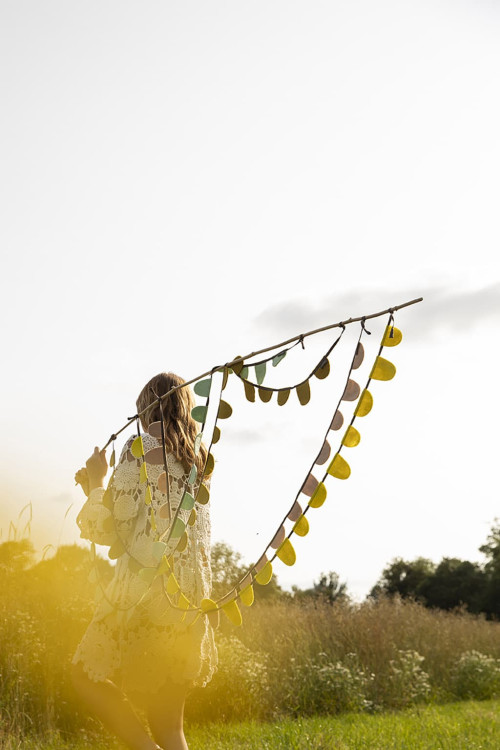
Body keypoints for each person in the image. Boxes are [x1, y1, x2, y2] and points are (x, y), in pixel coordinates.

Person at [71, 372, 217, 750]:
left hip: (144, 593)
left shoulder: (142, 449)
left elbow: (107, 529)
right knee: (169, 725)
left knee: (84, 677)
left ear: (145, 409)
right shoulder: (197, 461)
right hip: (186, 602)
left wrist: (97, 482)